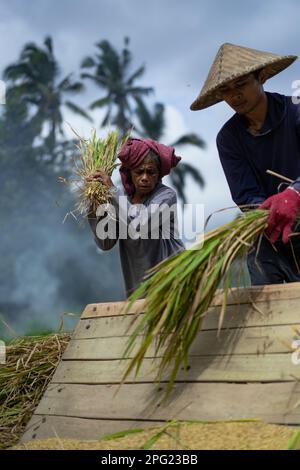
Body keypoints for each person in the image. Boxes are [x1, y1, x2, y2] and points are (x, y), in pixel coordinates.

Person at [190, 42, 300, 285]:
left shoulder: (296, 111)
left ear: (261, 77)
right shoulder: (228, 139)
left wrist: (294, 193)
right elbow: (246, 195)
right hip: (275, 231)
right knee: (258, 250)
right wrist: (266, 211)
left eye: (241, 84)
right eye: (226, 90)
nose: (235, 95)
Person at [87, 138, 185, 297]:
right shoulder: (120, 199)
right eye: (139, 172)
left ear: (158, 174)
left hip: (173, 285)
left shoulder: (166, 196)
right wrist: (94, 204)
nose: (145, 177)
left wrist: (112, 191)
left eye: (151, 172)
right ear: (129, 174)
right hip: (140, 292)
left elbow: (140, 224)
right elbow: (105, 242)